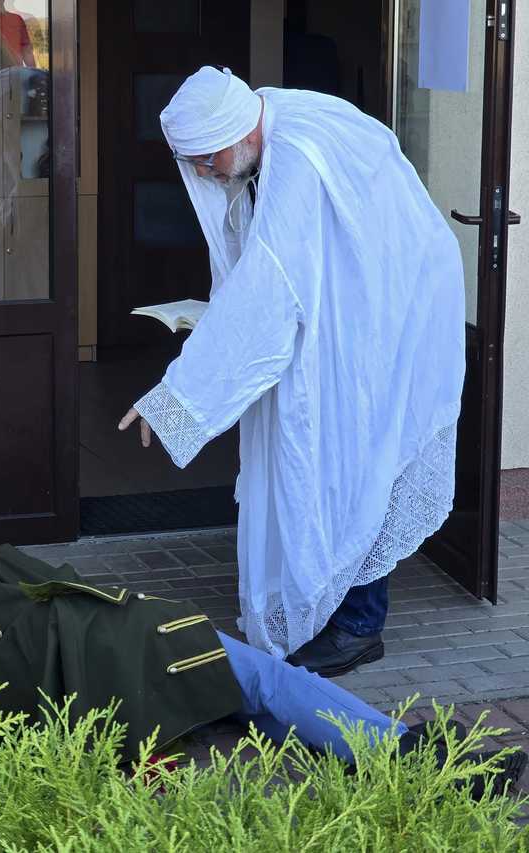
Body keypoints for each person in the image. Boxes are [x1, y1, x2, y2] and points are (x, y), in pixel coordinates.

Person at [119, 66, 465, 676]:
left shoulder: (296, 155)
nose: (202, 173)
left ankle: (357, 625)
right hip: (364, 302)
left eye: (205, 159)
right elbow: (276, 273)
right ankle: (327, 608)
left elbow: (270, 290)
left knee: (359, 457)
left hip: (393, 308)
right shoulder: (269, 117)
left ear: (234, 130)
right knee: (344, 455)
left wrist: (177, 396)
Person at [0, 545, 525, 796]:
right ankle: (421, 760)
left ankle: (383, 757)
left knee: (243, 697)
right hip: (125, 640)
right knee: (265, 683)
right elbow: (61, 582)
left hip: (90, 706)